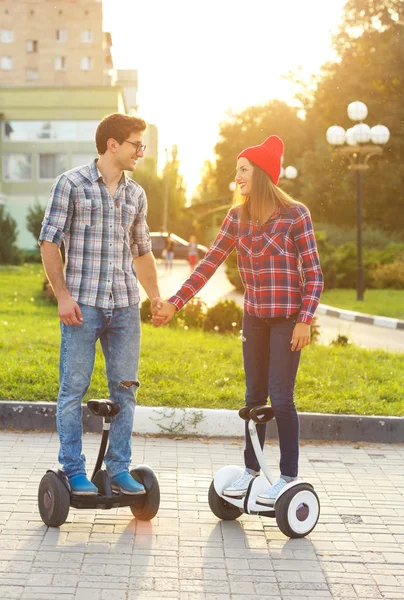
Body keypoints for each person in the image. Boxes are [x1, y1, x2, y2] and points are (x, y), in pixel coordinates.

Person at [152, 136, 324, 504]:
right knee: (253, 397)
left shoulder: (296, 215)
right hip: (255, 319)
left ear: (261, 173)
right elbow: (208, 263)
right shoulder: (236, 217)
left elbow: (314, 274)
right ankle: (251, 471)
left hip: (287, 319)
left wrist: (304, 320)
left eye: (243, 170)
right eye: (236, 171)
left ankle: (288, 476)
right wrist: (175, 303)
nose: (237, 178)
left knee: (280, 397)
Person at [39, 113, 163, 496]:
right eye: (136, 144)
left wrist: (156, 296)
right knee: (73, 388)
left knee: (125, 388)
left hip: (124, 305)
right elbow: (49, 242)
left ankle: (119, 468)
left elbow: (142, 251)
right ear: (113, 144)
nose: (141, 151)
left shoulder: (135, 194)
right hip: (83, 305)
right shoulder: (71, 184)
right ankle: (74, 470)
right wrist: (62, 295)